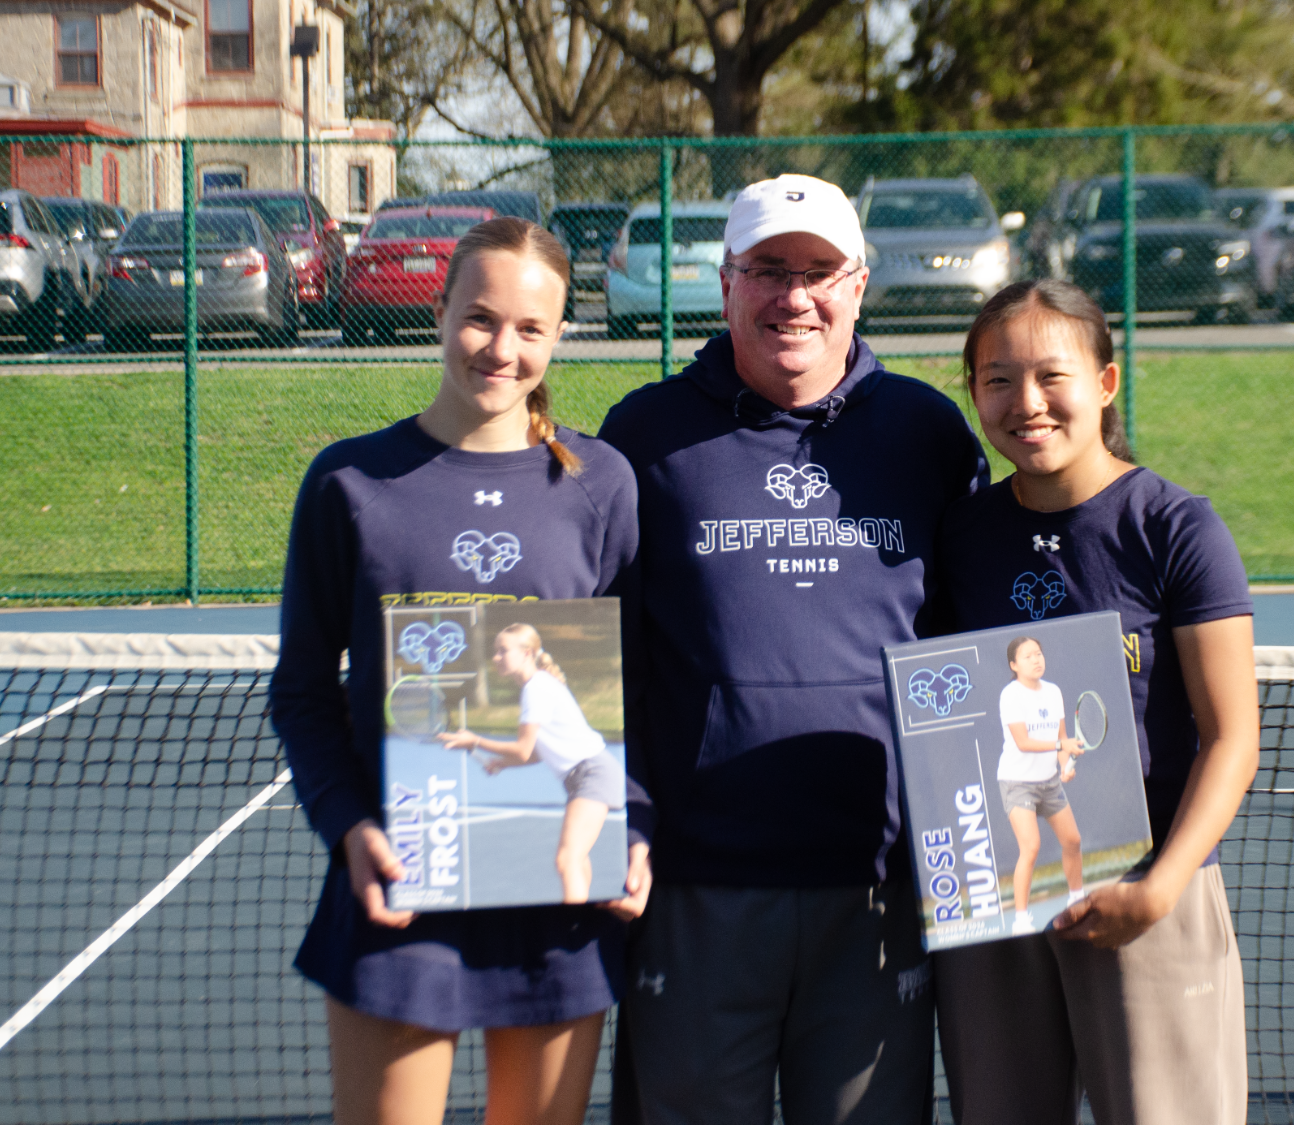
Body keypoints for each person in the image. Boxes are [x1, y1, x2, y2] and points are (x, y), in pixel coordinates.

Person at [597, 174, 988, 1125]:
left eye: (819, 271)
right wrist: (623, 823)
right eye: (769, 269)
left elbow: (978, 645)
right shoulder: (641, 436)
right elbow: (604, 660)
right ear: (726, 282)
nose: (794, 296)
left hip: (880, 890)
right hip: (695, 891)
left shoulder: (928, 432)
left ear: (859, 285)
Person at [269, 217, 649, 1125]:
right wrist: (349, 825)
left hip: (557, 901)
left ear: (560, 336)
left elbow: (637, 689)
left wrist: (635, 831)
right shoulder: (349, 482)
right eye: (480, 318)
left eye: (529, 328)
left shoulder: (601, 484)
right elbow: (303, 689)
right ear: (439, 312)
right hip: (405, 893)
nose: (501, 348)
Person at [931, 279, 1260, 1125]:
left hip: (1148, 895)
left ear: (1106, 384)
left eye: (1052, 376)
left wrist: (1159, 887)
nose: (1026, 403)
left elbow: (1232, 739)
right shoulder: (960, 537)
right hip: (997, 899)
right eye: (997, 379)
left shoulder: (1176, 527)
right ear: (972, 391)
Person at [443, 622, 629, 904]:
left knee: (568, 859)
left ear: (527, 653)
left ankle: (570, 928)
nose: (496, 658)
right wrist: (503, 763)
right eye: (495, 652)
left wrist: (475, 741)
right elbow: (538, 752)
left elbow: (521, 748)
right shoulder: (539, 685)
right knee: (576, 860)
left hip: (594, 773)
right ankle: (581, 914)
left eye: (502, 651)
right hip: (587, 774)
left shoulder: (536, 689)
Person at [996, 634, 1087, 936]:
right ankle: (1021, 918)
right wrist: (1062, 743)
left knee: (1072, 840)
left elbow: (1061, 742)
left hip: (1048, 782)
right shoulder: (1010, 695)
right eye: (1027, 656)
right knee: (1031, 847)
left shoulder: (1054, 692)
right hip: (1016, 782)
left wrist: (1065, 765)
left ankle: (1077, 897)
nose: (1036, 659)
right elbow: (1023, 742)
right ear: (1014, 664)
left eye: (1039, 653)